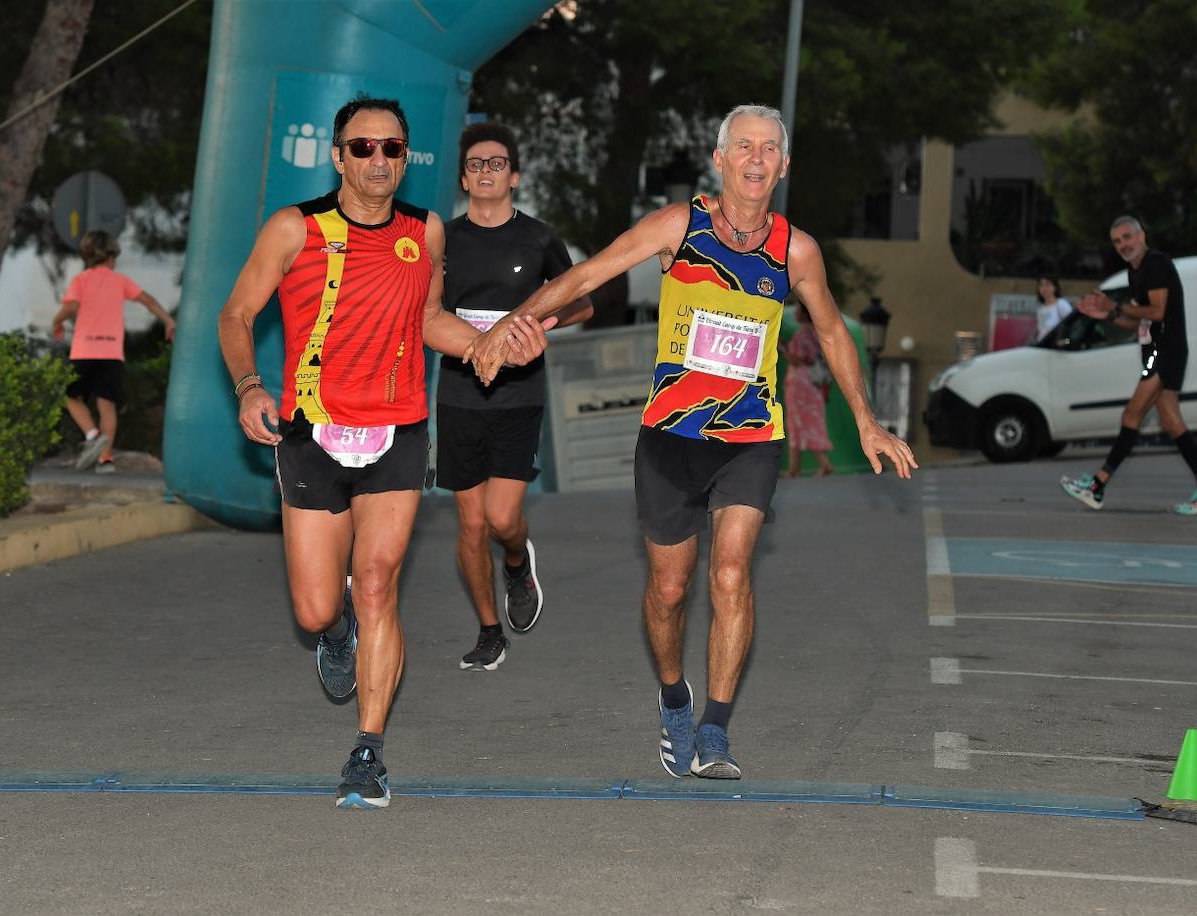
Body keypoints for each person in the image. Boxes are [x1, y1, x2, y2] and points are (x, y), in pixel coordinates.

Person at [467, 104, 916, 779]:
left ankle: (714, 728)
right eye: (744, 146)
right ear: (721, 158)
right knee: (670, 591)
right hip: (670, 436)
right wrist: (511, 324)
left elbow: (828, 329)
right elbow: (590, 275)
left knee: (732, 571)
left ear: (784, 166)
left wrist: (866, 417)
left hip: (750, 436)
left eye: (770, 149)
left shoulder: (796, 249)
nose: (757, 159)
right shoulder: (680, 225)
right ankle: (675, 698)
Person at [216, 97, 551, 810]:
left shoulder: (424, 232)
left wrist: (494, 344)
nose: (378, 160)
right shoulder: (295, 228)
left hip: (397, 429)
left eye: (391, 148)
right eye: (362, 147)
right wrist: (249, 387)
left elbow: (429, 319)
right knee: (314, 608)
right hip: (312, 433)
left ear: (406, 158)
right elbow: (236, 313)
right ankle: (332, 634)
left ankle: (367, 751)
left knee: (376, 582)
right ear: (338, 156)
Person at [438, 122, 593, 671]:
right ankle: (488, 630)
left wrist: (535, 326)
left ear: (515, 175)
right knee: (470, 522)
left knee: (502, 520)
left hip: (518, 394)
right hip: (457, 391)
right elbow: (423, 311)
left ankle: (516, 564)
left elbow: (582, 304)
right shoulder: (444, 240)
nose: (485, 171)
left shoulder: (540, 238)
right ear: (463, 177)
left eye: (496, 163)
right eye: (476, 164)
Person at [1060, 216, 1197, 514]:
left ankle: (1097, 486)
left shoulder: (1157, 264)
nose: (1123, 244)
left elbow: (1159, 311)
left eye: (1127, 237)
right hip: (1155, 349)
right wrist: (1107, 316)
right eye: (1117, 241)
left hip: (1165, 351)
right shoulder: (1135, 273)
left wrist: (1114, 306)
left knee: (1131, 414)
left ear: (1141, 236)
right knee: (1171, 421)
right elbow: (1140, 319)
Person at [52, 230, 176, 473]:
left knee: (71, 397)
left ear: (87, 256)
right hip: (111, 353)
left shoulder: (81, 280)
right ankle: (105, 459)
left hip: (85, 351)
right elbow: (147, 301)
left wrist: (57, 321)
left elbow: (72, 306)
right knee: (107, 406)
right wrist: (168, 321)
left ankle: (92, 434)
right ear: (112, 256)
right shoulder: (120, 281)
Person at [781, 303, 834, 477]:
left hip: (800, 381)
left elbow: (796, 360)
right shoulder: (819, 334)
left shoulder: (802, 334)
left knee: (797, 422)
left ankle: (815, 465)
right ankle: (795, 467)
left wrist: (781, 347)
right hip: (815, 382)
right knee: (810, 422)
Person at [1035, 276, 1074, 340]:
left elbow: (1071, 324)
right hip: (1043, 344)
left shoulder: (1061, 304)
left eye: (1047, 285)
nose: (1044, 288)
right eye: (1041, 285)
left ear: (1055, 287)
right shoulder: (1040, 309)